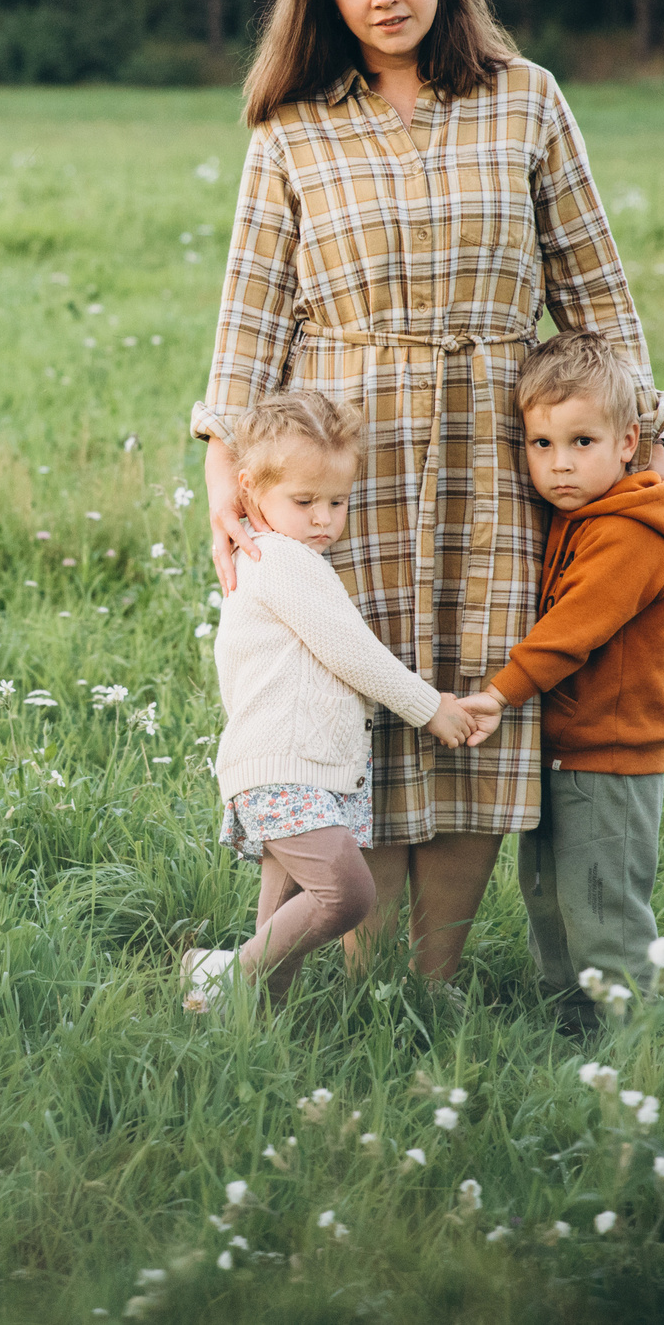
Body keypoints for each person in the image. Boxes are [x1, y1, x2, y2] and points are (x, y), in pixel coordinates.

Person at [195, 0, 664, 993]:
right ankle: (358, 979)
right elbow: (250, 314)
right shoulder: (291, 131)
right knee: (352, 701)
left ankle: (434, 979)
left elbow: (596, 291)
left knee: (471, 703)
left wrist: (647, 445)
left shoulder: (525, 97)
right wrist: (223, 467)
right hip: (341, 458)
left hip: (489, 445)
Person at [183, 391, 479, 1011]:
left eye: (337, 502)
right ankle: (221, 975)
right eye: (304, 501)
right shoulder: (283, 561)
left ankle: (251, 1028)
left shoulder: (283, 559)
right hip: (287, 768)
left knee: (281, 920)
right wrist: (432, 708)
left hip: (294, 768)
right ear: (248, 489)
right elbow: (353, 652)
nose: (323, 519)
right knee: (347, 896)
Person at [450, 331, 664, 1029]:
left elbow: (572, 630)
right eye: (541, 444)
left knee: (602, 911)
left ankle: (643, 1045)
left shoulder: (634, 533)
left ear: (629, 442)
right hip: (560, 748)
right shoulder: (577, 514)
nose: (559, 465)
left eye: (581, 442)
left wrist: (500, 693)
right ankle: (572, 1032)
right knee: (549, 902)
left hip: (611, 757)